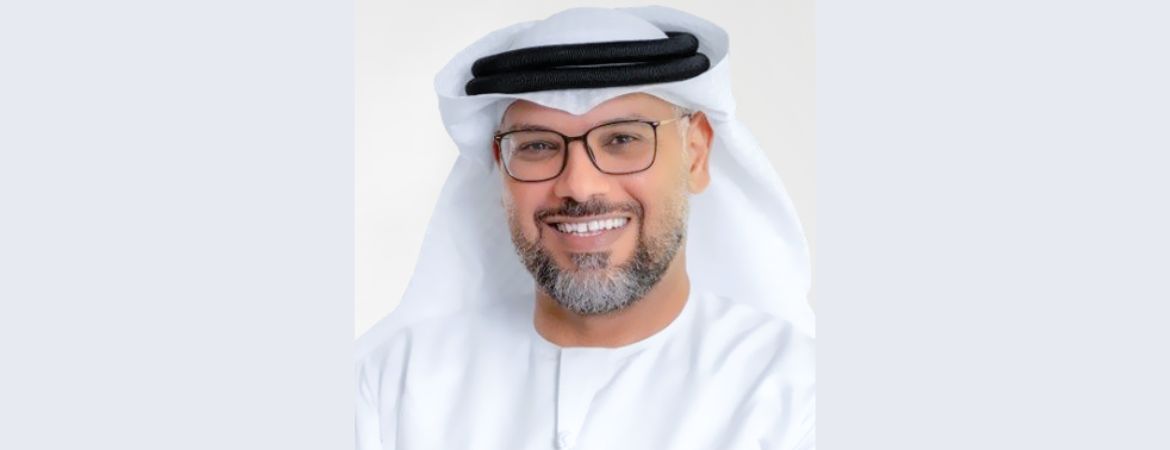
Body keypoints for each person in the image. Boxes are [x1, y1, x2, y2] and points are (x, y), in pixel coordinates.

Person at [356, 6, 815, 450]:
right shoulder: (391, 387)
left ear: (695, 154)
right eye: (538, 146)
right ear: (501, 166)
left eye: (622, 139)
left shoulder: (800, 397)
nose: (578, 186)